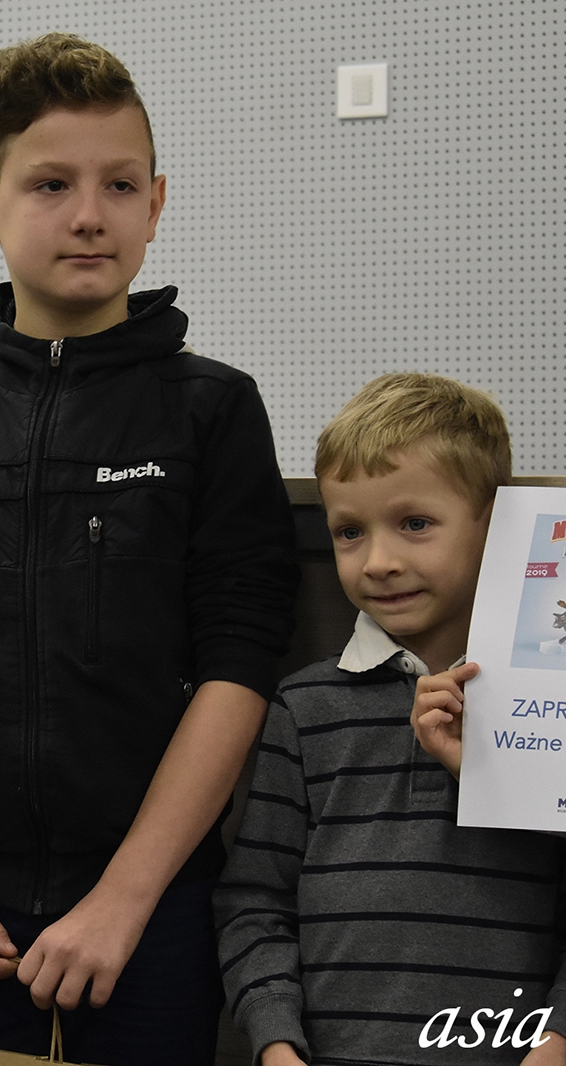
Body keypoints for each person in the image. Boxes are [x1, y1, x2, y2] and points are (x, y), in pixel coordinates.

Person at [0, 32, 298, 1065]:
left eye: (119, 185)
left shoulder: (212, 410)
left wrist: (125, 899)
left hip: (148, 909)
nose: (90, 214)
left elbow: (239, 657)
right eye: (50, 184)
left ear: (156, 204)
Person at [216, 373, 566, 1065]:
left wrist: (558, 1038)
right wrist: (275, 1041)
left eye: (415, 524)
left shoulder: (551, 713)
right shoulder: (305, 707)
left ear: (494, 525)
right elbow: (255, 901)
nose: (378, 562)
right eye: (350, 532)